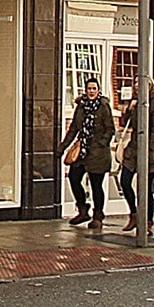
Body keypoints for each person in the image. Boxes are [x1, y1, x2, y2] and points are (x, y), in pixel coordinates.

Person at [58, 76, 115, 226]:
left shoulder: (103, 106)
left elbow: (110, 129)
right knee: (74, 177)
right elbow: (74, 129)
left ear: (98, 90)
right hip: (82, 150)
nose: (91, 91)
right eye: (89, 89)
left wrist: (101, 143)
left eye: (94, 89)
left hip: (98, 152)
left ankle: (98, 215)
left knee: (96, 184)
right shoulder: (81, 106)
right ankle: (83, 209)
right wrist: (63, 146)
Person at [120, 84, 154, 231]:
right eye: (135, 83)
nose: (138, 86)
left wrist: (148, 147)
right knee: (125, 182)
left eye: (141, 82)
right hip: (133, 150)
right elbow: (125, 123)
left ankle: (148, 221)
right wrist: (129, 109)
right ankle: (134, 214)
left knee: (146, 188)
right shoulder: (136, 101)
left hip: (148, 151)